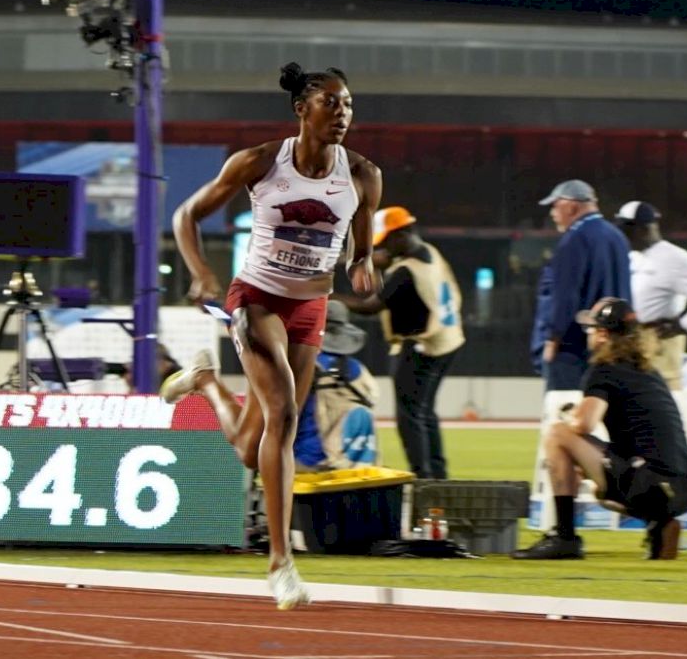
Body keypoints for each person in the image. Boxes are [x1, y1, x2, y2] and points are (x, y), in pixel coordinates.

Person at [161, 62, 381, 607]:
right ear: (302, 109)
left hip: (311, 307)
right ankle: (282, 563)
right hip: (256, 299)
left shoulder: (363, 175)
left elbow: (361, 236)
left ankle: (206, 382)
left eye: (348, 104)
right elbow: (186, 216)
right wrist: (202, 273)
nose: (343, 113)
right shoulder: (260, 162)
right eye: (331, 102)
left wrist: (363, 265)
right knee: (282, 414)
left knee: (250, 445)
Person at [513, 297, 687, 560]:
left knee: (557, 434)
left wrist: (570, 417)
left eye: (591, 328)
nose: (588, 334)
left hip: (653, 487)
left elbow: (583, 424)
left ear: (603, 334)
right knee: (587, 469)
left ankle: (564, 537)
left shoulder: (604, 369)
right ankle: (659, 524)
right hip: (685, 490)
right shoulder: (649, 372)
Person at [334, 206, 463, 479]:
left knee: (409, 418)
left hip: (422, 346)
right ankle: (437, 476)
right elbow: (384, 260)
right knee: (424, 413)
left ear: (401, 235)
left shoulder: (405, 272)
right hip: (447, 341)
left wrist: (328, 298)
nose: (385, 249)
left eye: (387, 241)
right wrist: (349, 259)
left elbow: (369, 306)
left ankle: (423, 477)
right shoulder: (428, 253)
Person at [614, 201, 687, 391]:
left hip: (659, 345)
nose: (621, 235)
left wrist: (685, 325)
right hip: (632, 341)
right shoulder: (635, 256)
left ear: (643, 229)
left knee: (663, 400)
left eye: (625, 230)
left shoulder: (673, 257)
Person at [532, 180, 631, 391]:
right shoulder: (617, 237)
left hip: (574, 348)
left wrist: (553, 340)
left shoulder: (574, 239)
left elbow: (565, 297)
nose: (552, 213)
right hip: (614, 346)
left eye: (555, 205)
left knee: (565, 412)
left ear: (572, 206)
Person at [293, 300, 378, 472]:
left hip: (308, 463)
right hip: (354, 465)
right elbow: (373, 399)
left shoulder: (302, 368)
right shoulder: (358, 370)